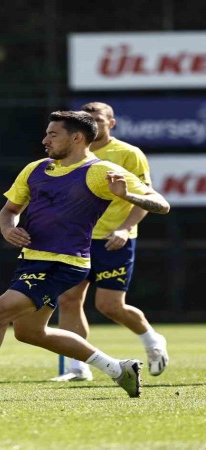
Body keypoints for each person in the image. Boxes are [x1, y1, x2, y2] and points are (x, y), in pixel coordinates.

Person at [0, 111, 170, 404]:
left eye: (53, 134)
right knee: (30, 333)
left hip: (64, 263)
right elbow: (10, 210)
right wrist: (8, 228)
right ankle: (117, 368)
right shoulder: (35, 168)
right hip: (32, 260)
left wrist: (127, 196)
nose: (45, 140)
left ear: (77, 138)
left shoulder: (100, 171)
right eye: (47, 133)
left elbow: (161, 204)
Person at [52, 102, 168, 382]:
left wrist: (125, 229)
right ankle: (77, 367)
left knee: (109, 305)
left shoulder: (128, 154)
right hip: (75, 241)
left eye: (99, 120)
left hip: (112, 239)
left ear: (111, 123)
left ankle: (152, 341)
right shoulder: (70, 152)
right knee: (68, 299)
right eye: (87, 120)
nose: (93, 124)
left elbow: (147, 197)